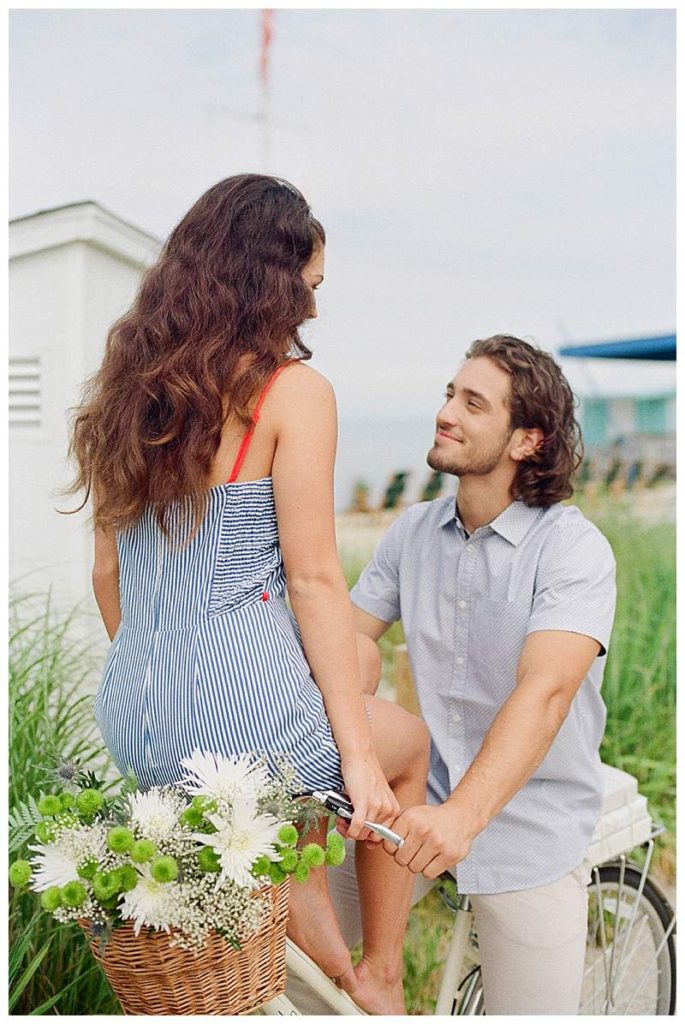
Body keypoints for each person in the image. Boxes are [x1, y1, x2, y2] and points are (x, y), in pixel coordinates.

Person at [64, 174, 429, 1014]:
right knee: (405, 749)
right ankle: (380, 974)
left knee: (354, 671)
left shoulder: (126, 395)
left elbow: (107, 575)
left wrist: (167, 687)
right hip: (242, 723)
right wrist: (361, 765)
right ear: (275, 278)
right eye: (310, 284)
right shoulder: (289, 392)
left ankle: (314, 936)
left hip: (133, 714)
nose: (312, 306)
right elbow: (312, 578)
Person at [292, 334, 617, 1015]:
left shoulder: (572, 548)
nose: (446, 412)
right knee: (303, 975)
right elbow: (347, 636)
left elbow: (547, 691)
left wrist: (464, 817)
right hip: (419, 797)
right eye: (448, 394)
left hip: (529, 817)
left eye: (472, 403)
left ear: (527, 440)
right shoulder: (413, 531)